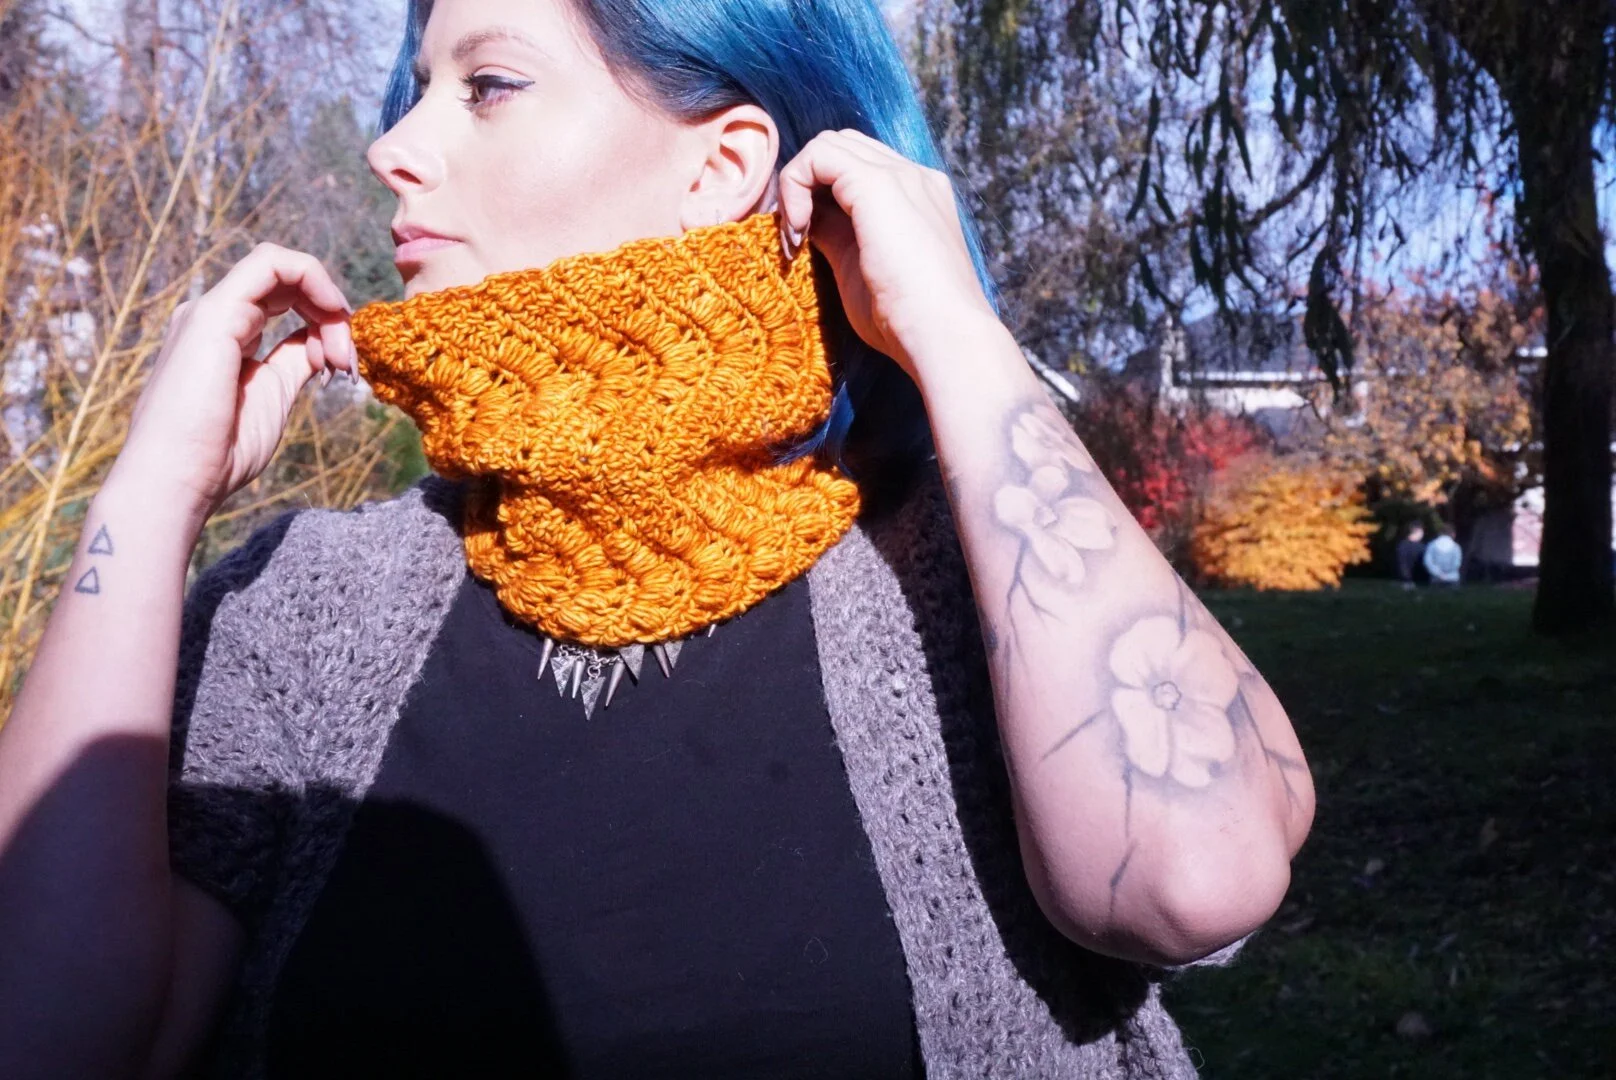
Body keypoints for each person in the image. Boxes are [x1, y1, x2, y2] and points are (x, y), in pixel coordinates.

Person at [0, 0, 1316, 1076]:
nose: (392, 146)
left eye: (487, 85)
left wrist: (954, 334)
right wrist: (148, 500)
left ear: (721, 167)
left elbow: (1190, 880)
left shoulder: (976, 585)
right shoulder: (303, 611)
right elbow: (48, 1040)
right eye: (417, 88)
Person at [1395, 522, 1426, 589]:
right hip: (1418, 582)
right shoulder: (1422, 547)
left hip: (1404, 580)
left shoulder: (1402, 545)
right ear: (1419, 531)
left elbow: (1401, 563)